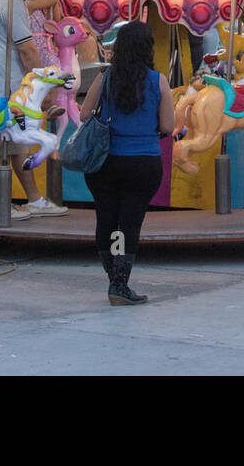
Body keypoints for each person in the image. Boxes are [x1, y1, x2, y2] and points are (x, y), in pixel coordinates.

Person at [78, 20, 175, 305]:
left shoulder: (105, 77)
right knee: (127, 225)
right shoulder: (158, 80)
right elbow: (168, 125)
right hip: (143, 163)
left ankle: (114, 280)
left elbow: (85, 114)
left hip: (105, 161)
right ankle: (119, 284)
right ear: (147, 48)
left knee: (106, 219)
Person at [0, 0, 67, 220]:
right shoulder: (13, 2)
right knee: (1, 145)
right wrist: (43, 84)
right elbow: (27, 49)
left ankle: (35, 200)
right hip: (9, 87)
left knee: (15, 145)